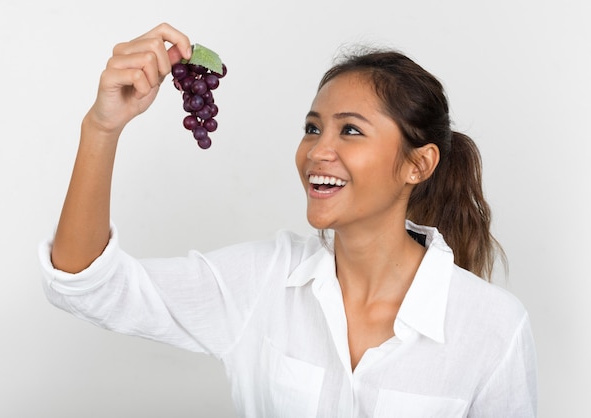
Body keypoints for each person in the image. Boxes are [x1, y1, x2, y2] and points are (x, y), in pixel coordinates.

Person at [39, 23, 537, 417]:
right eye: (312, 128)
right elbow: (86, 285)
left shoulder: (493, 327)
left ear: (418, 164)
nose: (318, 151)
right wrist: (101, 128)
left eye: (350, 131)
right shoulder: (261, 283)